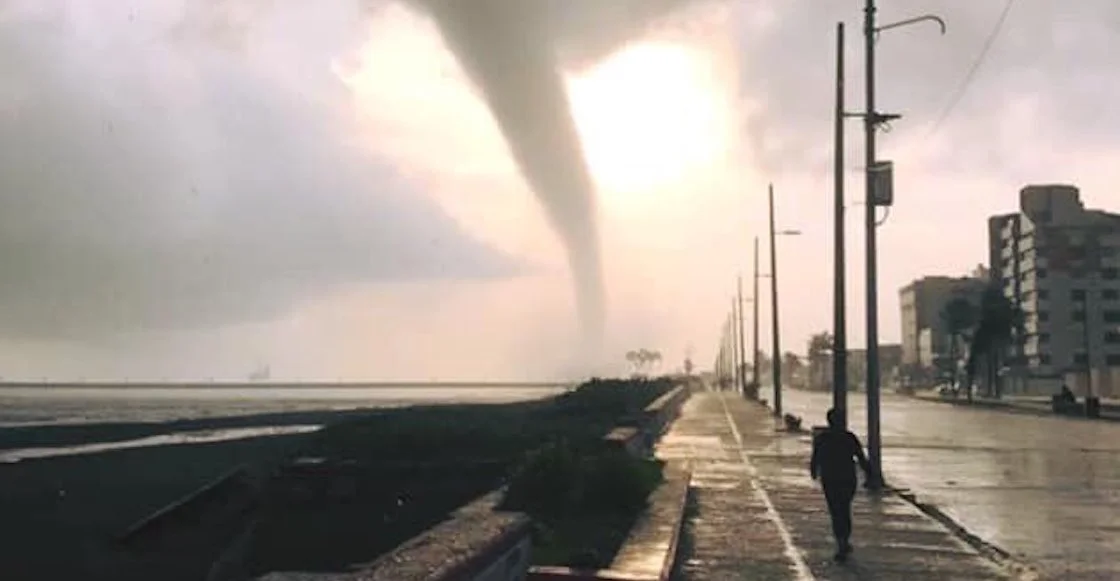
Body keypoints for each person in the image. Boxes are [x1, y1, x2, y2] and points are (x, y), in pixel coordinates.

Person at [809, 408, 872, 562]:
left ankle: (841, 542)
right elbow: (861, 458)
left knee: (836, 511)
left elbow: (815, 457)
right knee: (844, 509)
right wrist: (869, 475)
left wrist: (814, 472)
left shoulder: (822, 438)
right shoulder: (849, 437)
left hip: (830, 479)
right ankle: (843, 541)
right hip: (847, 478)